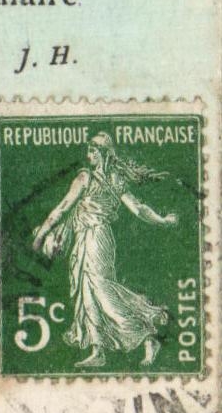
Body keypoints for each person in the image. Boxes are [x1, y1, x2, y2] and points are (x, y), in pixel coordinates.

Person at [32, 132, 177, 367]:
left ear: (102, 154)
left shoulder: (90, 178)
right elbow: (138, 208)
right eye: (89, 151)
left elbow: (62, 208)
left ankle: (146, 336)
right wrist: (162, 220)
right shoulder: (110, 179)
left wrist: (39, 237)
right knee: (87, 292)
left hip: (96, 237)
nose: (89, 155)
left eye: (92, 151)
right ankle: (98, 350)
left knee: (100, 290)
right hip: (86, 238)